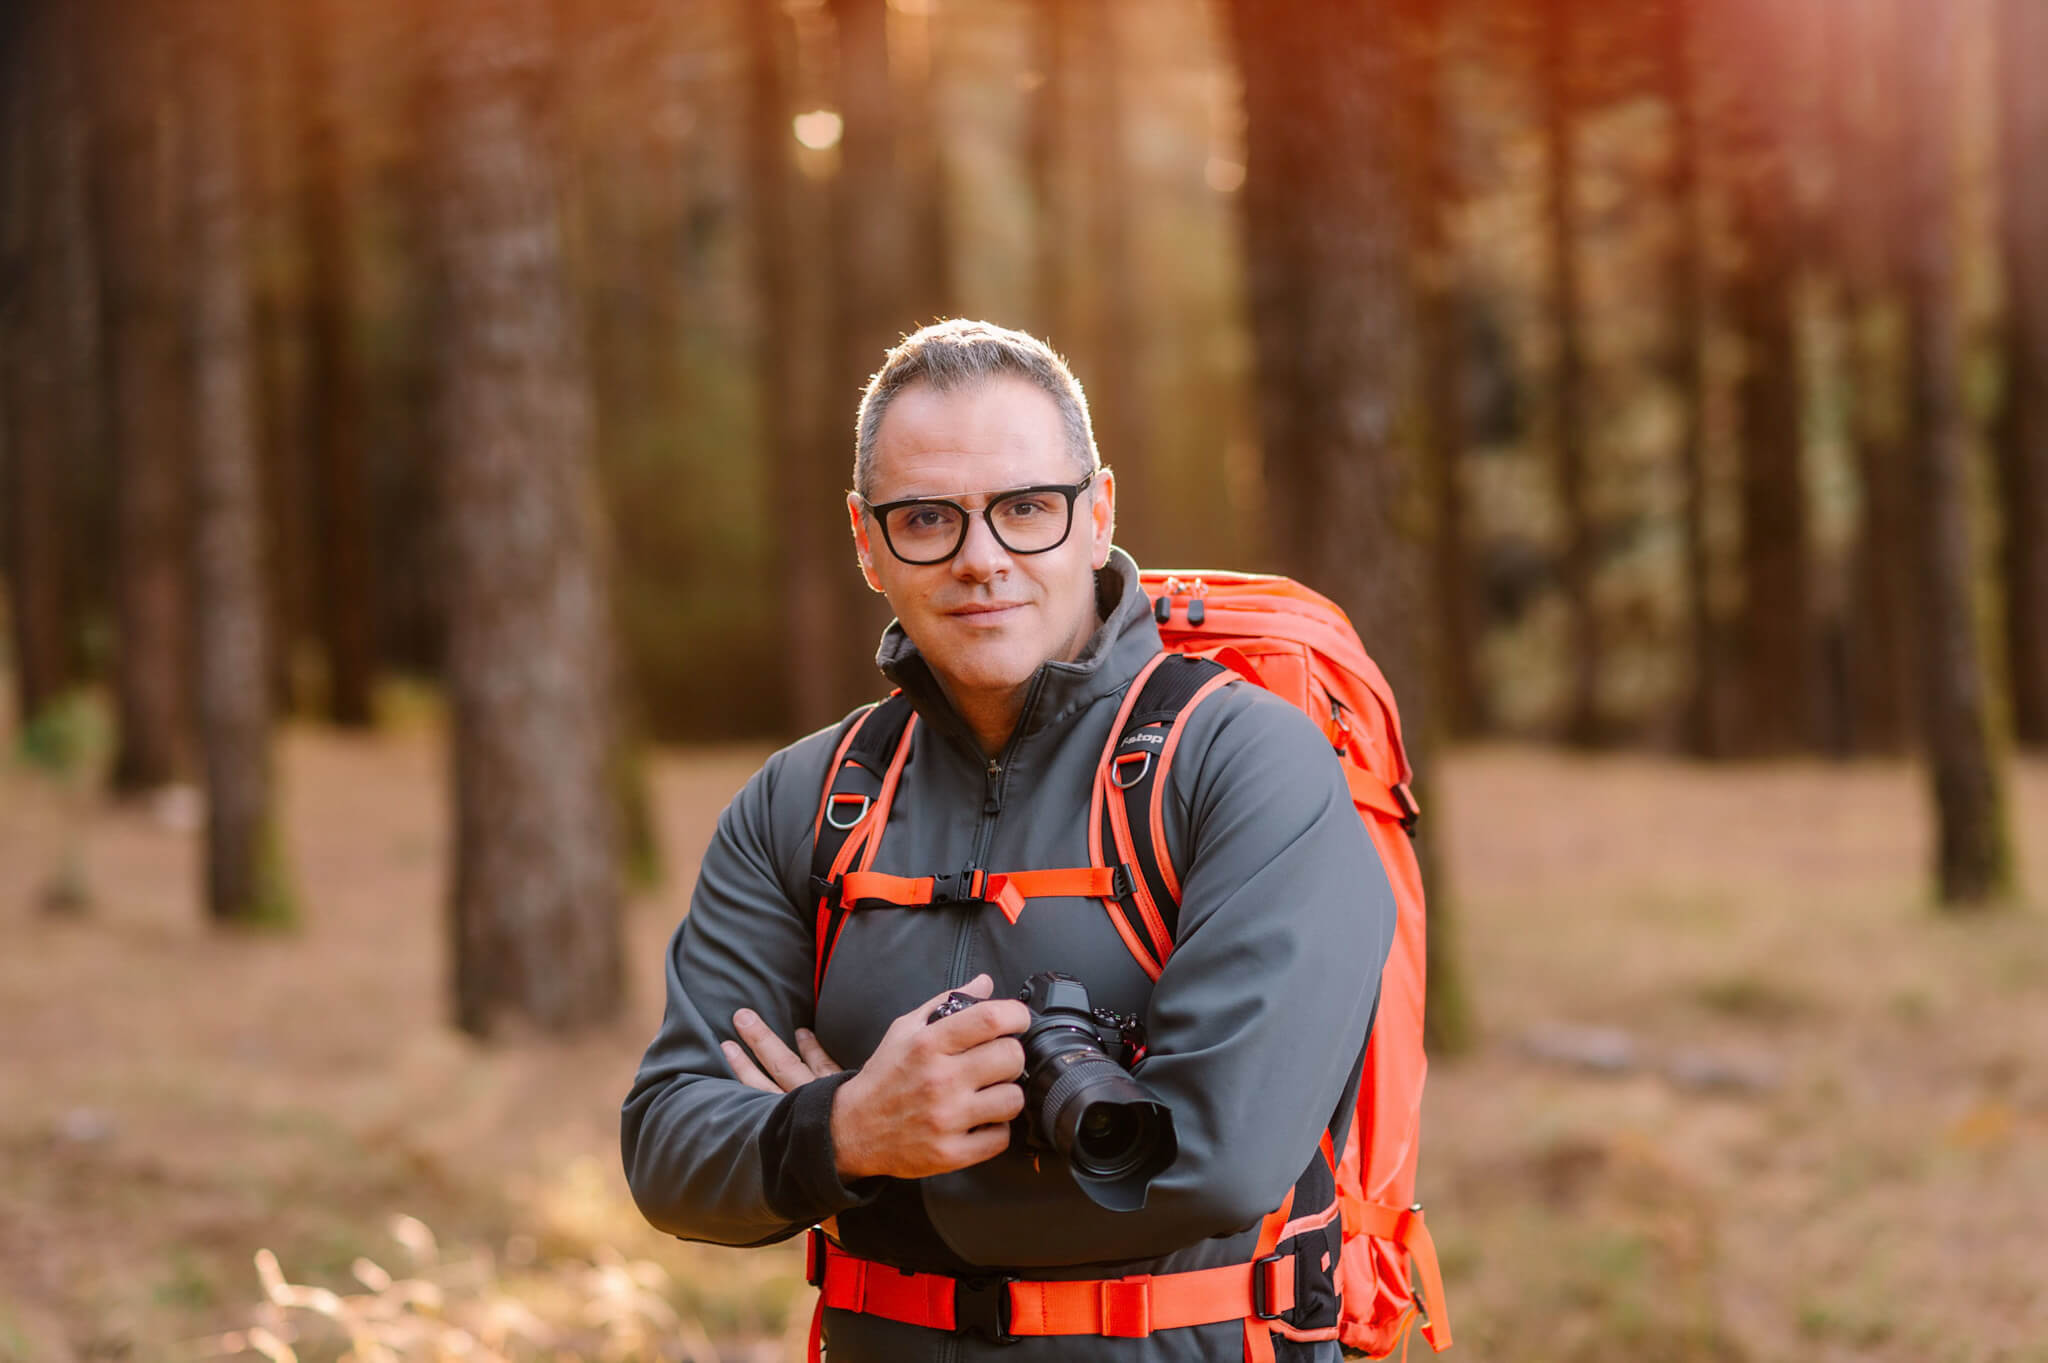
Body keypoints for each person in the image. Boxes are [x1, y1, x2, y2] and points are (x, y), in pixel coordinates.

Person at [621, 320, 1397, 1361]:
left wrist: (839, 1142)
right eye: (927, 518)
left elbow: (1220, 1158)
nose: (981, 560)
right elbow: (668, 1149)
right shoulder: (805, 798)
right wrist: (854, 1127)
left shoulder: (1244, 761)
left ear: (1096, 513)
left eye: (1026, 508)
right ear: (865, 540)